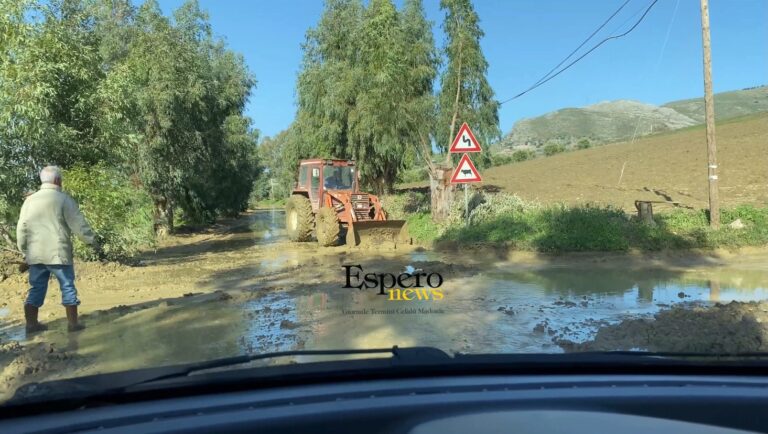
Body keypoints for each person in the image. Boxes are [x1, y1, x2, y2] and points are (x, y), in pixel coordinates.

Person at [16, 165, 99, 333]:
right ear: (58, 180)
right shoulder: (63, 199)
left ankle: (31, 324)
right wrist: (92, 241)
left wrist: (25, 250)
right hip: (58, 254)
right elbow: (79, 224)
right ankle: (73, 324)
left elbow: (21, 228)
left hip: (36, 254)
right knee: (67, 286)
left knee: (36, 288)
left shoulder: (29, 201)